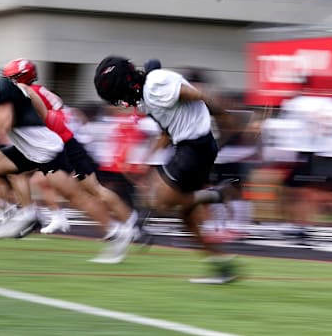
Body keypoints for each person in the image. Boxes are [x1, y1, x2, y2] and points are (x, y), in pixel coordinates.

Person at [93, 56, 237, 283]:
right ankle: (222, 268)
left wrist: (225, 117)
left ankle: (216, 194)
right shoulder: (148, 98)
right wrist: (147, 158)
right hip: (191, 147)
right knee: (186, 217)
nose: (120, 102)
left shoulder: (155, 84)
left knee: (158, 201)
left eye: (118, 95)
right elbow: (167, 130)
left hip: (195, 147)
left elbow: (197, 94)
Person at [0, 59, 134, 262]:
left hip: (47, 151)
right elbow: (36, 104)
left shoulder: (0, 89)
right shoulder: (9, 89)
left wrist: (40, 128)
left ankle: (117, 231)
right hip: (29, 149)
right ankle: (16, 214)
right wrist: (41, 121)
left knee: (78, 197)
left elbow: (1, 125)